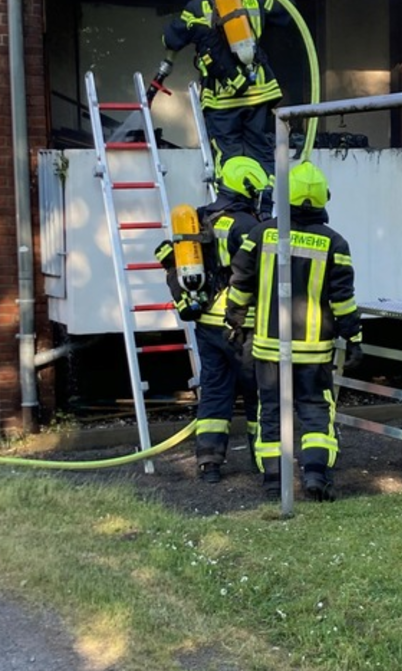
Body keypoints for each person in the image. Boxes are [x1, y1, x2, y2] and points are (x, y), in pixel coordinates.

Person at [225, 162, 363, 501]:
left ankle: (274, 480)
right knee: (316, 411)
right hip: (315, 352)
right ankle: (316, 476)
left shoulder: (260, 234)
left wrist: (235, 320)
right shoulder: (336, 243)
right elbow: (343, 299)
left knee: (270, 411)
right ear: (322, 199)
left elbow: (240, 282)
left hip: (269, 349)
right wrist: (354, 338)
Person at [155, 156, 269, 483]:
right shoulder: (247, 225)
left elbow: (168, 254)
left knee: (216, 391)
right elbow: (258, 274)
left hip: (205, 321)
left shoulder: (201, 217)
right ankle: (265, 462)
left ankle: (209, 462)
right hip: (241, 323)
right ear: (246, 188)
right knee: (258, 393)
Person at [157, 0, 288, 216]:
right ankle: (265, 207)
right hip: (258, 92)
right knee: (262, 152)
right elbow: (285, 13)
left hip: (222, 101)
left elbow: (170, 39)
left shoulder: (198, 7)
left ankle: (234, 210)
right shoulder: (256, 1)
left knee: (228, 157)